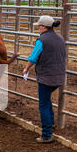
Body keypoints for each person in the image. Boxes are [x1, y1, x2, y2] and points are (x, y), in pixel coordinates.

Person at [23, 15, 66, 143]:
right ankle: (52, 123)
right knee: (47, 101)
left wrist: (26, 68)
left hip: (46, 77)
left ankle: (47, 134)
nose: (38, 29)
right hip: (59, 76)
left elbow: (33, 58)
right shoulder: (60, 38)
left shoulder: (41, 40)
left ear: (43, 27)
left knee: (43, 104)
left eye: (39, 27)